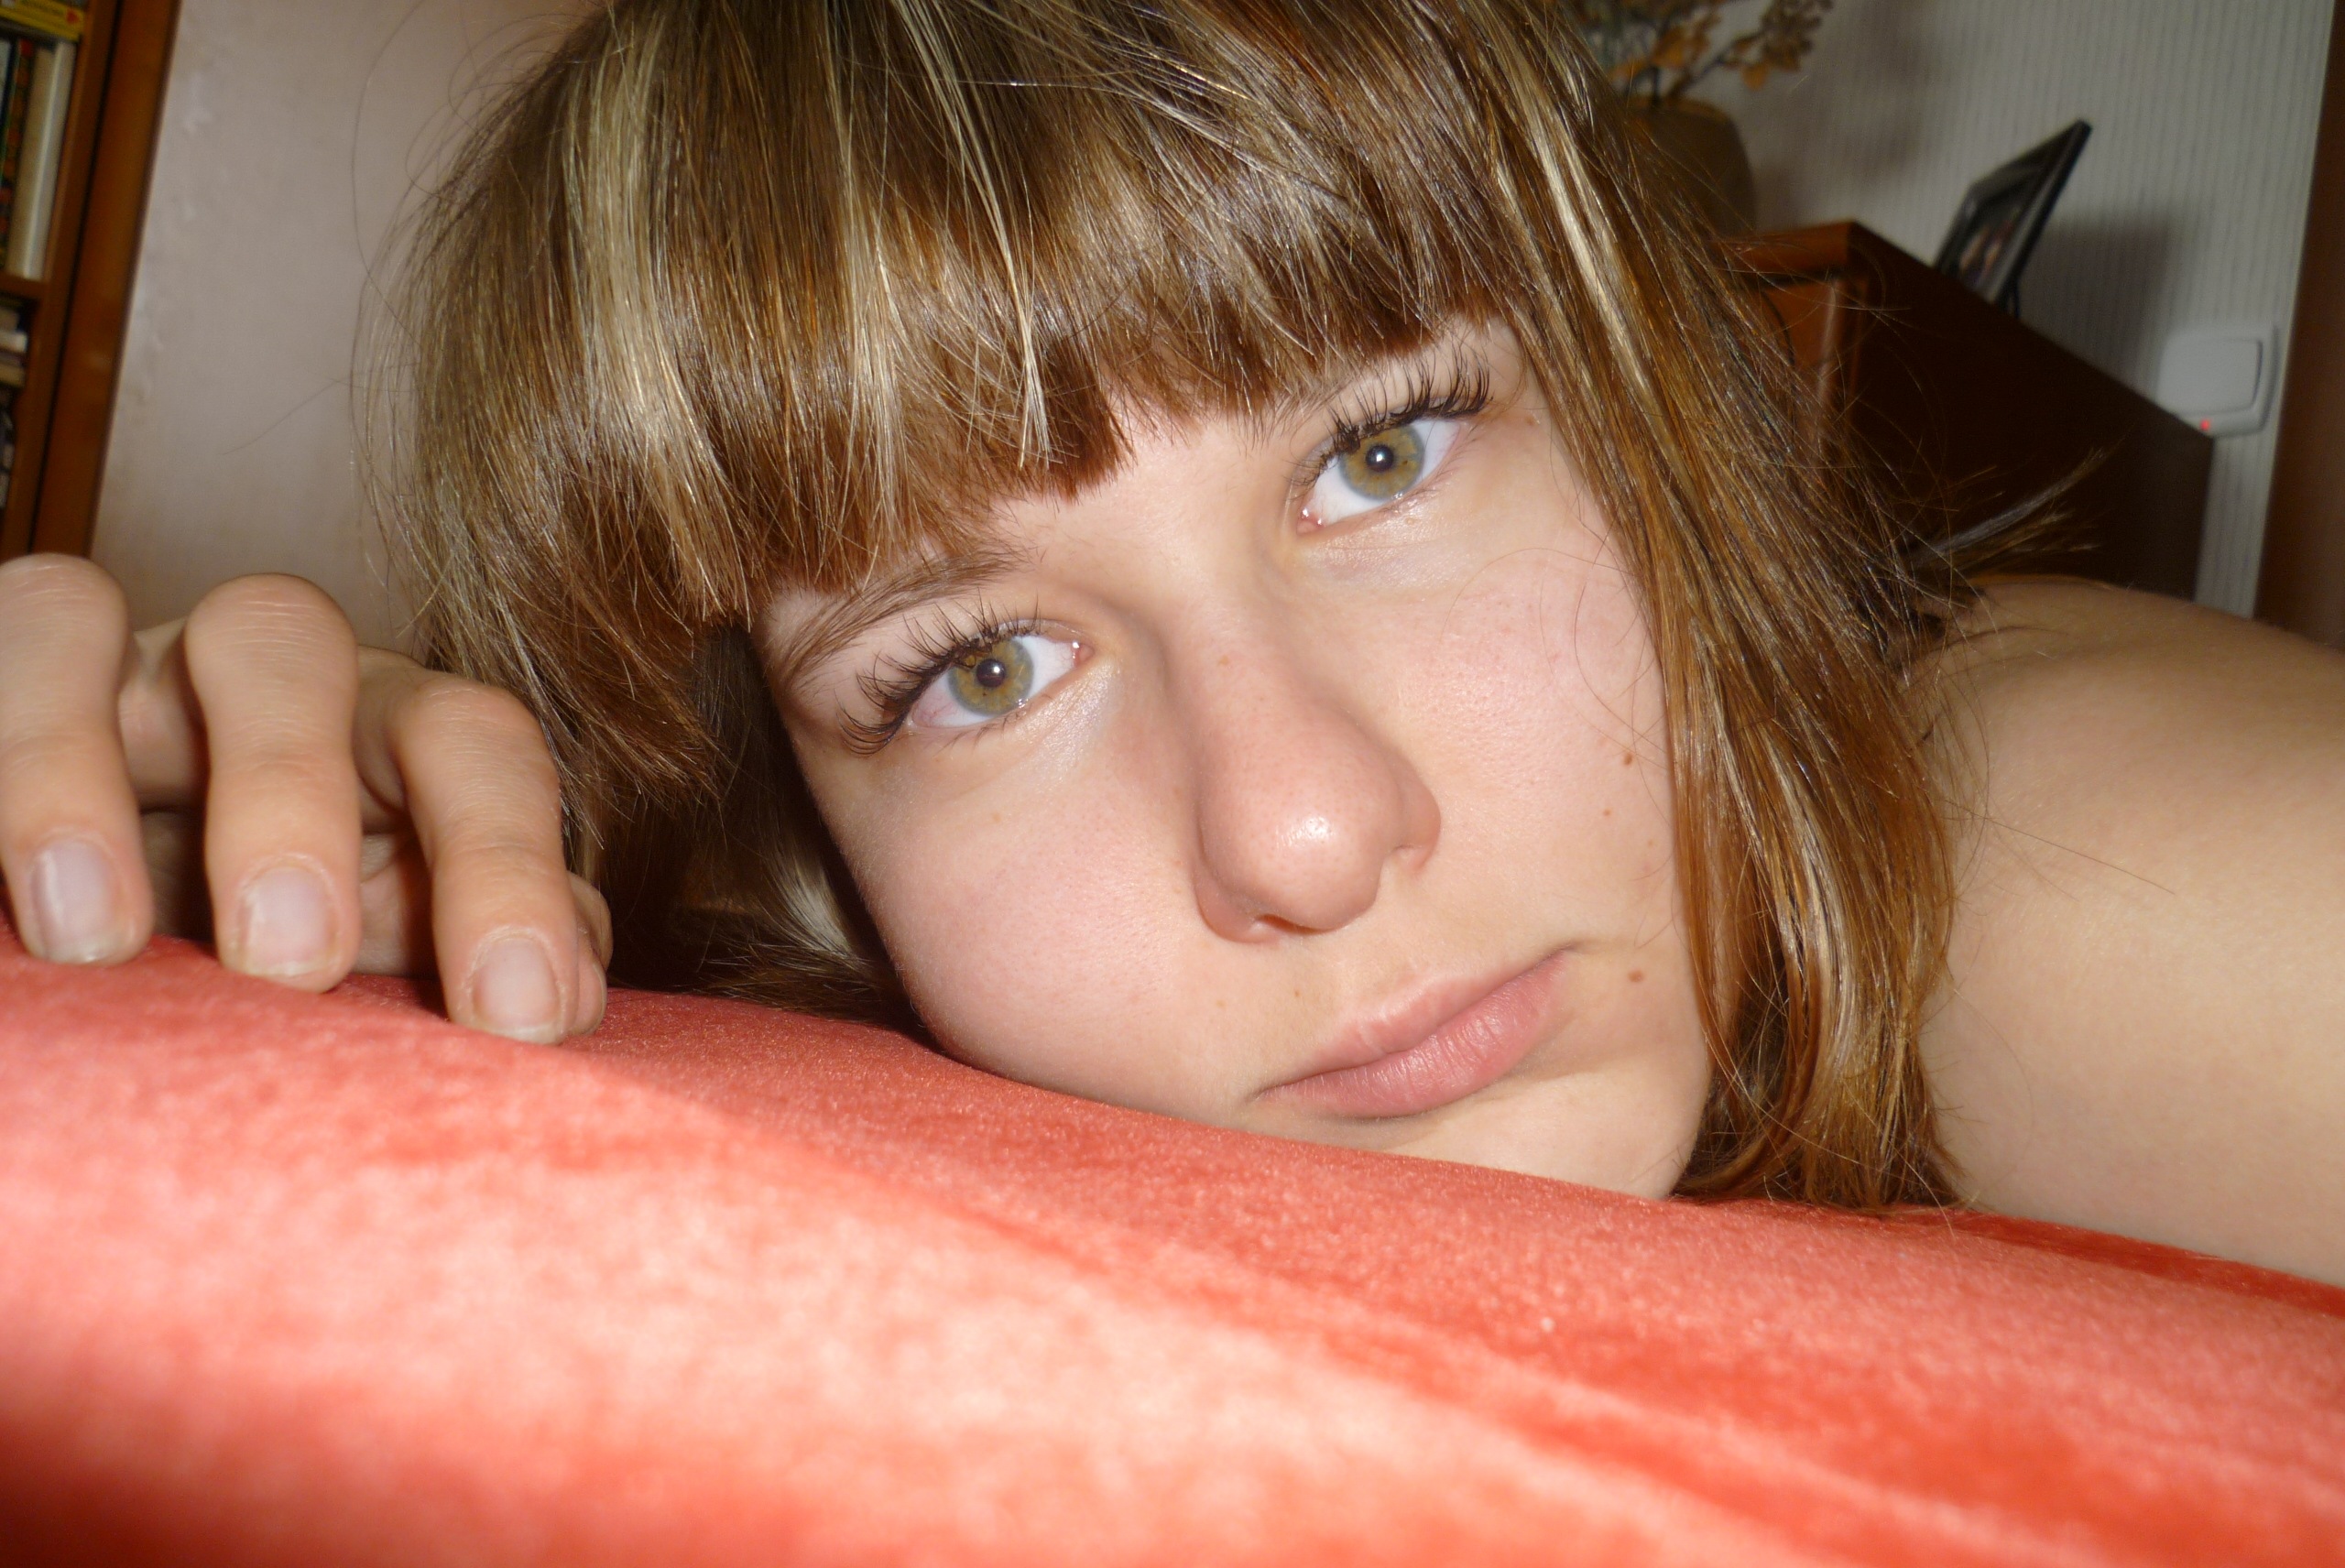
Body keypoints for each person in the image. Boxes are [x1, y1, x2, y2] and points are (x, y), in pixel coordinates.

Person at [0, 0, 2339, 1283]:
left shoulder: (2038, 843)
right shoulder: (786, 911)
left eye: (1382, 454)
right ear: (794, 823)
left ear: (1640, 396)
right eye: (977, 670)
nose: (1304, 833)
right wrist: (368, 835)